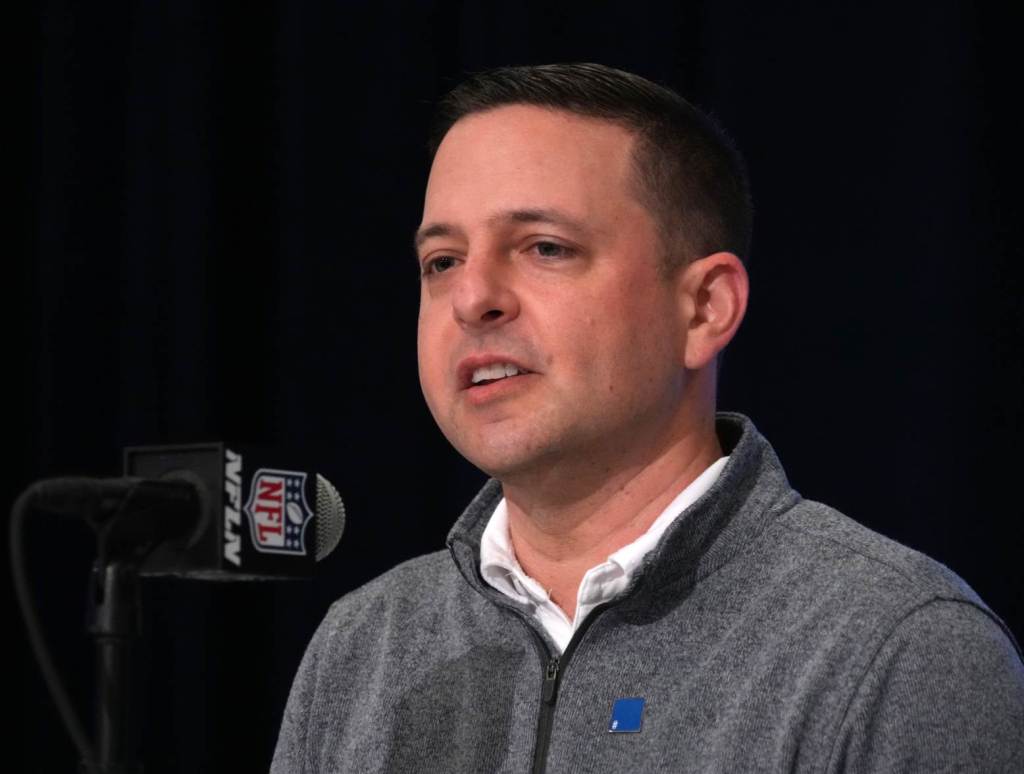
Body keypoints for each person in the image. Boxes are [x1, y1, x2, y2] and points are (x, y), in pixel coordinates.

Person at [272, 63, 1024, 773]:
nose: (473, 300)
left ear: (704, 308)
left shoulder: (897, 644)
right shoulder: (364, 646)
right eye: (442, 261)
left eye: (544, 247)